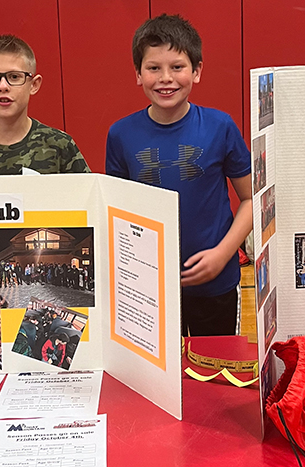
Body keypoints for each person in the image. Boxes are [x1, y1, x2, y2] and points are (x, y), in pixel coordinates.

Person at [105, 14, 253, 337]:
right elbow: (116, 214)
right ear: (138, 74)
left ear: (197, 71)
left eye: (177, 67)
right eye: (153, 68)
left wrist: (223, 254)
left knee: (216, 374)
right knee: (158, 384)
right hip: (149, 289)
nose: (165, 78)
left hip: (215, 284)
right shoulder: (120, 135)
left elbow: (251, 199)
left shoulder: (221, 126)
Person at [0, 34, 90, 175]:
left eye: (14, 77)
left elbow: (88, 200)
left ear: (34, 84)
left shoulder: (60, 145)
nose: (3, 86)